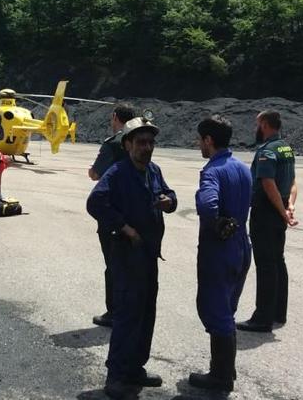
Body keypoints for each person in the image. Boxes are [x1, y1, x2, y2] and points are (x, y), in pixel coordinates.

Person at [86, 117, 177, 399]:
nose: (147, 147)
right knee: (127, 314)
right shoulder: (117, 173)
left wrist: (169, 201)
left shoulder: (153, 170)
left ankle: (136, 368)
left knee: (146, 312)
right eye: (141, 142)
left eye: (150, 142)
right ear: (127, 145)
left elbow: (171, 195)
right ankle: (116, 375)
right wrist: (124, 227)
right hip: (126, 255)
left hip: (149, 254)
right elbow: (94, 202)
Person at [188, 116, 252, 392]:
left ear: (208, 141)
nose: (198, 144)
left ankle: (221, 376)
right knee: (228, 308)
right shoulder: (242, 168)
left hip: (220, 250)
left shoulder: (212, 171)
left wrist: (215, 222)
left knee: (215, 310)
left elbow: (207, 202)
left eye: (200, 139)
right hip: (241, 246)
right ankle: (225, 370)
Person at [237, 110, 298, 333]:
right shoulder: (285, 147)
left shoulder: (267, 150)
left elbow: (267, 183)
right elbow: (293, 181)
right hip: (279, 209)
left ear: (264, 124)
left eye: (257, 124)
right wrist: (290, 206)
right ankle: (278, 312)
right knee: (277, 260)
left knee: (265, 264)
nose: (256, 128)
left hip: (267, 212)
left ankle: (262, 318)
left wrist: (282, 211)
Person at [88, 103, 135, 328]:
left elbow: (96, 173)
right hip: (135, 212)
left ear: (115, 117)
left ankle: (114, 311)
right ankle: (131, 307)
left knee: (113, 263)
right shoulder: (139, 140)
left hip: (113, 213)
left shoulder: (113, 143)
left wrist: (92, 170)